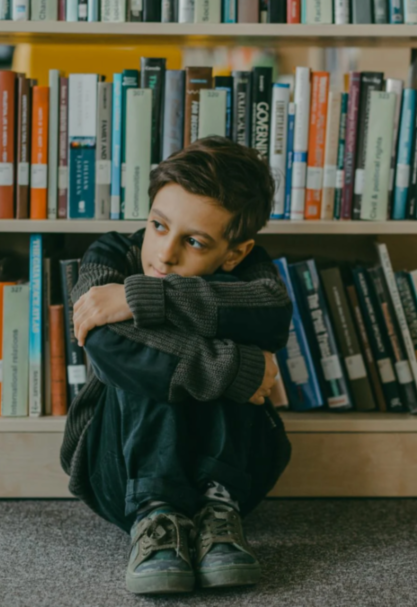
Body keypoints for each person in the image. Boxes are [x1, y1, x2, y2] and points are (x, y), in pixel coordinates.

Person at [59, 136, 293, 595]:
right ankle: (156, 513)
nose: (165, 254)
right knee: (150, 366)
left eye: (194, 242)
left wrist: (144, 295)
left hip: (238, 470)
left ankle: (216, 512)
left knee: (198, 343)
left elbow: (270, 312)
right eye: (159, 226)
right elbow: (105, 341)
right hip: (118, 469)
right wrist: (242, 368)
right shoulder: (108, 255)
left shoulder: (252, 272)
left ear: (235, 253)